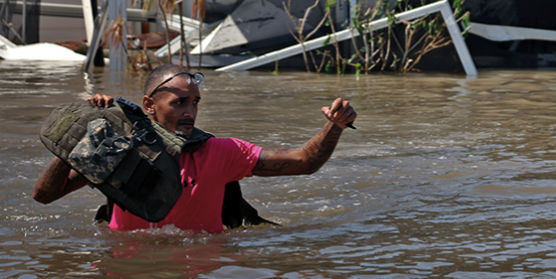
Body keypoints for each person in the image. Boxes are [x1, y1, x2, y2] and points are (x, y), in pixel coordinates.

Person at [32, 63, 356, 233]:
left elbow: (304, 162)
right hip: (126, 269)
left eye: (195, 103)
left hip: (200, 266)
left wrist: (334, 126)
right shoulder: (117, 149)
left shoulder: (222, 152)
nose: (190, 111)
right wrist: (79, 137)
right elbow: (44, 196)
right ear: (149, 105)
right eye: (179, 102)